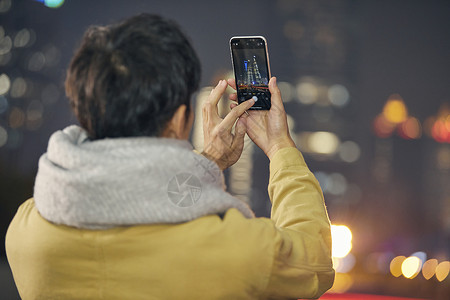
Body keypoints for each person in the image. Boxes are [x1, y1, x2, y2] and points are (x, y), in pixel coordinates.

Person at [5, 14, 335, 299]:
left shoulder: (26, 231)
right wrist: (280, 147)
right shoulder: (230, 250)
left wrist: (209, 160)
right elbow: (313, 260)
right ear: (180, 119)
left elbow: (122, 196)